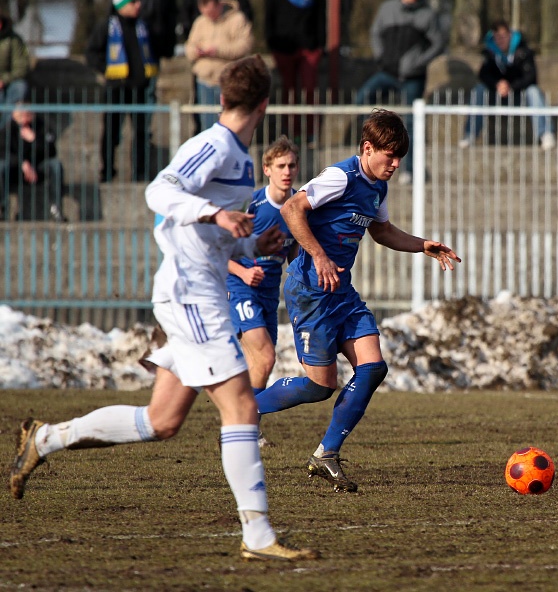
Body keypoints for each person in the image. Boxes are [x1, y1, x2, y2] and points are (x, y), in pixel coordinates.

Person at [9, 55, 320, 562]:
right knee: (241, 406)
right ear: (264, 104)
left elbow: (208, 234)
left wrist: (250, 248)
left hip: (201, 291)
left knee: (162, 420)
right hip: (192, 297)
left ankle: (44, 440)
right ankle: (259, 537)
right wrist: (216, 211)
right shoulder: (214, 145)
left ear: (222, 98)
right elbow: (160, 191)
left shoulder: (240, 157)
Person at [252, 108, 461, 492]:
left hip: (341, 292)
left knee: (374, 366)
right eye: (390, 156)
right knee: (320, 386)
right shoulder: (339, 177)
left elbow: (381, 231)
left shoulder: (376, 186)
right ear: (367, 148)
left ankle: (326, 454)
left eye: (400, 158)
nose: (396, 164)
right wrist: (318, 255)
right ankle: (246, 411)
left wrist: (422, 245)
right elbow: (292, 208)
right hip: (310, 291)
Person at [227, 135, 300, 439]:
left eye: (292, 165)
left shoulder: (299, 206)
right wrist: (243, 275)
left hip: (269, 295)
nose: (287, 171)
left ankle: (236, 426)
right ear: (267, 169)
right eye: (281, 165)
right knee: (266, 357)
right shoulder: (252, 205)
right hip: (241, 288)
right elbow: (219, 251)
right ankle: (245, 429)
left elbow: (295, 252)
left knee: (260, 363)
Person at [355, 0, 446, 185]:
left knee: (412, 121)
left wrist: (418, 64)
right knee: (362, 99)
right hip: (388, 72)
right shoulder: (387, 8)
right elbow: (375, 33)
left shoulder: (428, 14)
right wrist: (381, 57)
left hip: (413, 77)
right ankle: (367, 160)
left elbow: (438, 43)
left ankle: (410, 170)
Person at [86, 0, 158, 183]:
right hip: (116, 89)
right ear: (122, 5)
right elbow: (92, 53)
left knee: (141, 133)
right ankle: (108, 171)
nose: (138, 5)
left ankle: (140, 172)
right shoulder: (107, 26)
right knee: (111, 132)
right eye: (133, 2)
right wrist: (107, 70)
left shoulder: (142, 26)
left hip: (139, 89)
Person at [459, 19, 555, 151]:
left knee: (534, 91)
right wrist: (497, 84)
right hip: (496, 94)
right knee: (479, 90)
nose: (500, 40)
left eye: (503, 36)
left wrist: (511, 86)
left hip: (519, 95)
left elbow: (530, 76)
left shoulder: (524, 51)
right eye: (497, 37)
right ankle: (470, 134)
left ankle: (545, 133)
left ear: (510, 35)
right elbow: (483, 74)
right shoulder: (490, 53)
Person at [185, 0, 254, 131]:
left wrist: (218, 51)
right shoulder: (200, 22)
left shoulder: (237, 19)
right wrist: (196, 52)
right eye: (205, 12)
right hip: (205, 81)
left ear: (219, 5)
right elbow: (189, 47)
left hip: (229, 80)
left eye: (212, 12)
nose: (209, 16)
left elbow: (245, 45)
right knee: (208, 127)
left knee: (231, 127)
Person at [265, 0, 326, 146]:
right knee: (289, 91)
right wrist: (273, 44)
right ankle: (294, 133)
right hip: (283, 48)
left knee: (310, 89)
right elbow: (269, 18)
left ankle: (312, 133)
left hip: (309, 47)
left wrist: (319, 46)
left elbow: (320, 18)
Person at [0, 105, 65, 221]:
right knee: (2, 167)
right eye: (21, 116)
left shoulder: (42, 127)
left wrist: (35, 140)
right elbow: (3, 152)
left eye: (27, 115)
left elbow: (52, 150)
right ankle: (2, 207)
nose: (24, 120)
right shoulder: (8, 129)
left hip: (38, 166)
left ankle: (56, 208)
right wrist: (22, 163)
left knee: (55, 165)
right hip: (16, 169)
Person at [0, 14, 29, 126]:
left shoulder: (14, 40)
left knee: (19, 87)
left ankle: (5, 129)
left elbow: (21, 67)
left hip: (11, 81)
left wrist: (3, 80)